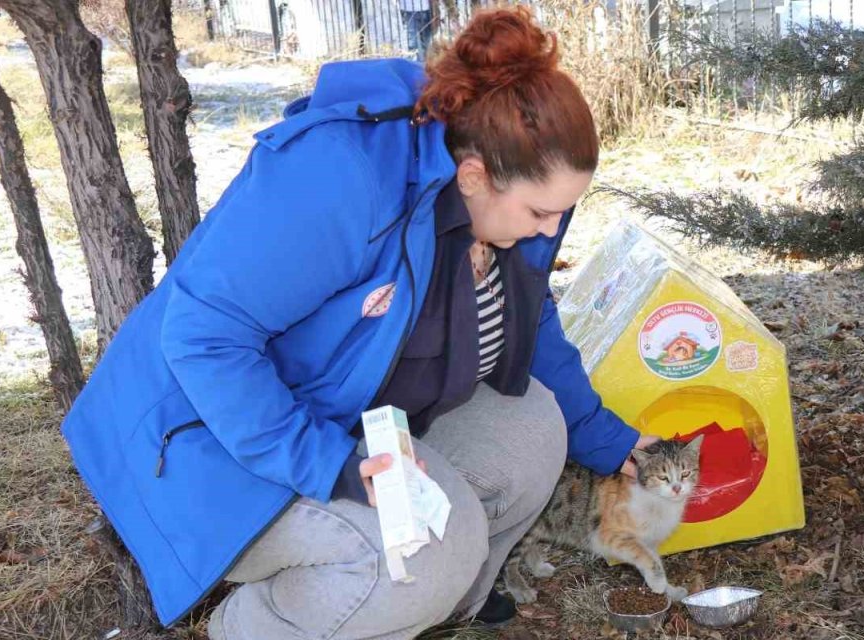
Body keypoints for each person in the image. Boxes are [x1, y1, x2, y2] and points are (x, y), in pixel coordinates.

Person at [60, 7, 657, 639]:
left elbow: (530, 322)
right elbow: (203, 338)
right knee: (434, 550)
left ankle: (420, 603)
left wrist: (612, 443)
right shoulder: (343, 176)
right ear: (474, 175)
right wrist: (329, 463)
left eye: (560, 212)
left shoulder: (504, 203)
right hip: (209, 444)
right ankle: (257, 626)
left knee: (532, 425)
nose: (549, 230)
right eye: (539, 213)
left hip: (345, 417)